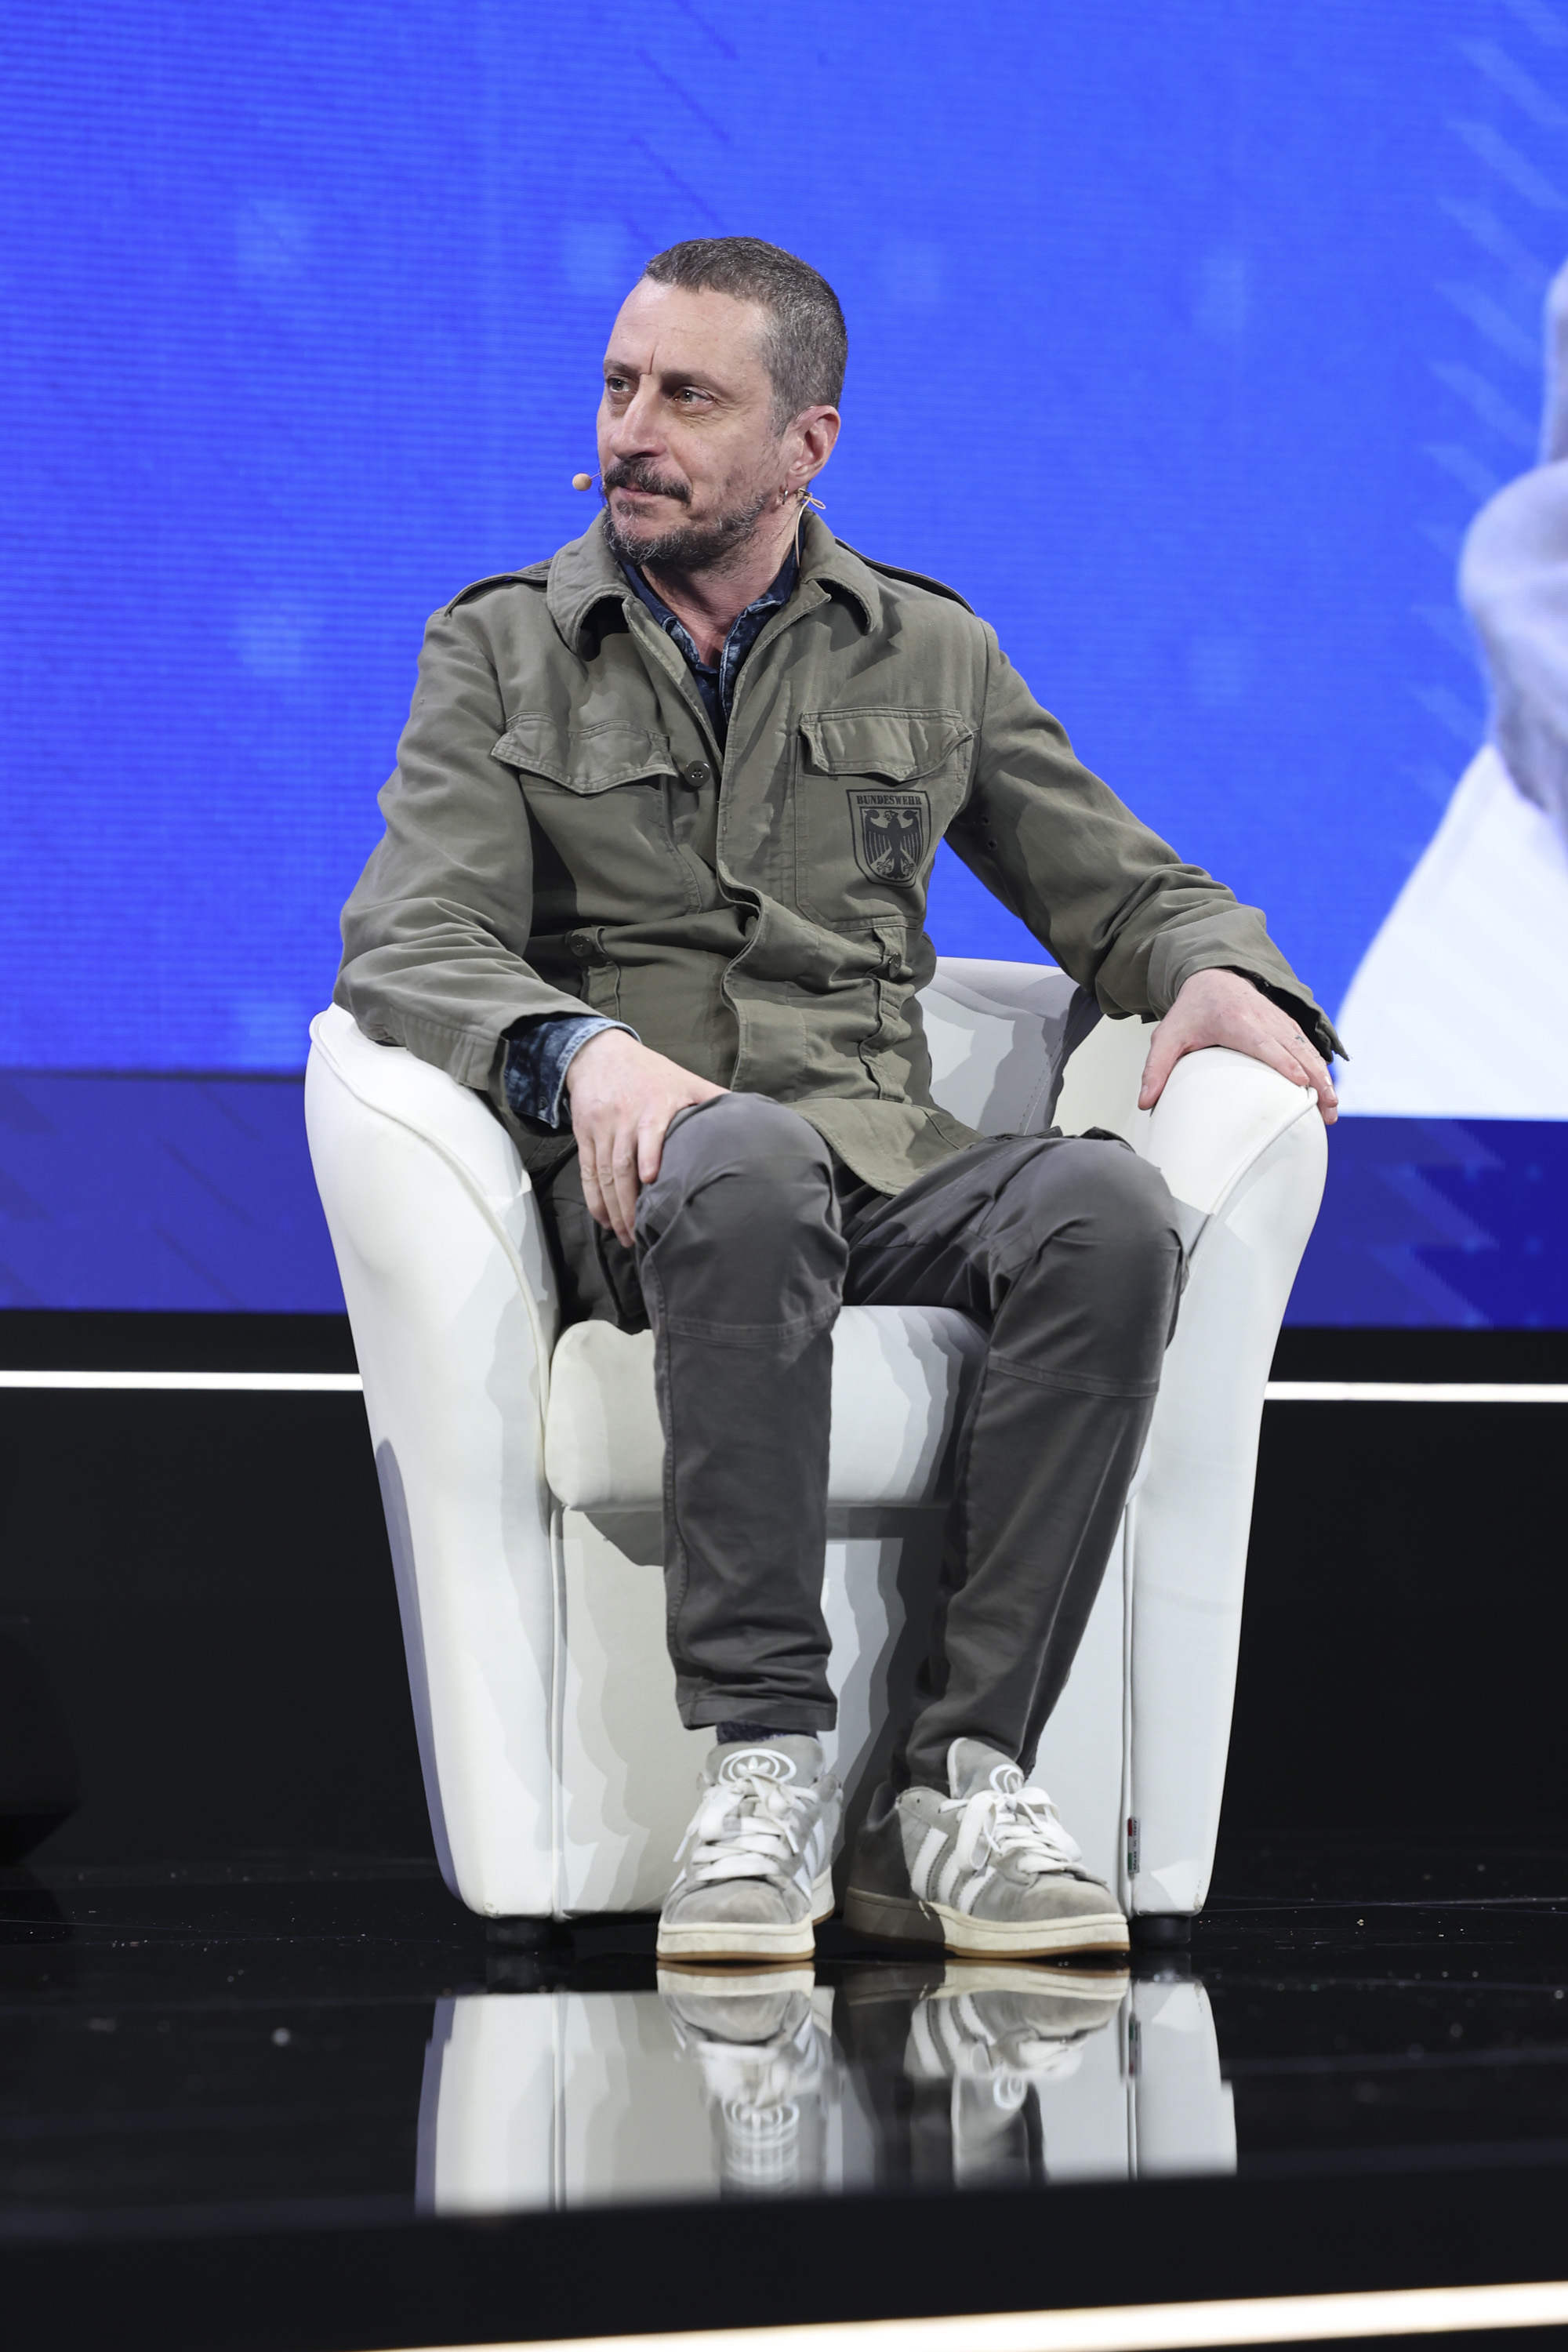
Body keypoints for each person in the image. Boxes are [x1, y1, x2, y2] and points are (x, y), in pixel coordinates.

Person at [336, 237, 1339, 1966]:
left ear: (806, 445)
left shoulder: (927, 652)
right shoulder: (503, 647)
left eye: (688, 397)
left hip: (878, 1165)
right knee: (740, 1158)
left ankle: (965, 1778)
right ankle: (762, 1764)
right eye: (619, 386)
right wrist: (585, 1054)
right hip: (661, 1186)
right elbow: (410, 935)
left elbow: (1122, 886)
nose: (631, 430)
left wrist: (1218, 969)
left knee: (1106, 1207)